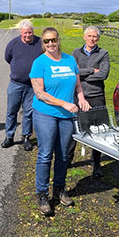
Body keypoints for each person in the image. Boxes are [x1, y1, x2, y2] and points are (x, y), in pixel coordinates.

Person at [29, 27, 90, 216]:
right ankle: (42, 194)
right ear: (43, 43)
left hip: (67, 116)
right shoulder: (39, 63)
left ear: (58, 40)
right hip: (46, 114)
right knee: (46, 154)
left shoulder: (70, 60)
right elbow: (40, 94)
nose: (50, 44)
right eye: (46, 41)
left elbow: (77, 85)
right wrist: (64, 103)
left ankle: (60, 189)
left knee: (64, 154)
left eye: (53, 40)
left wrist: (81, 98)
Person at [68, 26, 110, 178]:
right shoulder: (75, 53)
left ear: (98, 38)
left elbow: (104, 74)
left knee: (98, 130)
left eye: (95, 37)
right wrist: (93, 70)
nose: (92, 39)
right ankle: (68, 159)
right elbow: (73, 73)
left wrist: (82, 72)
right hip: (78, 95)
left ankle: (96, 163)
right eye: (89, 36)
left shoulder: (103, 53)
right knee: (75, 128)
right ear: (84, 37)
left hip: (96, 95)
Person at [2, 20, 42, 151]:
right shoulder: (13, 44)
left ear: (33, 31)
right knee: (11, 111)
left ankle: (26, 137)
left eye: (30, 32)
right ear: (20, 32)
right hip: (15, 84)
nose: (28, 35)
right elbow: (7, 58)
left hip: (32, 85)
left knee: (28, 112)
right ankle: (9, 136)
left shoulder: (40, 43)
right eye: (25, 33)